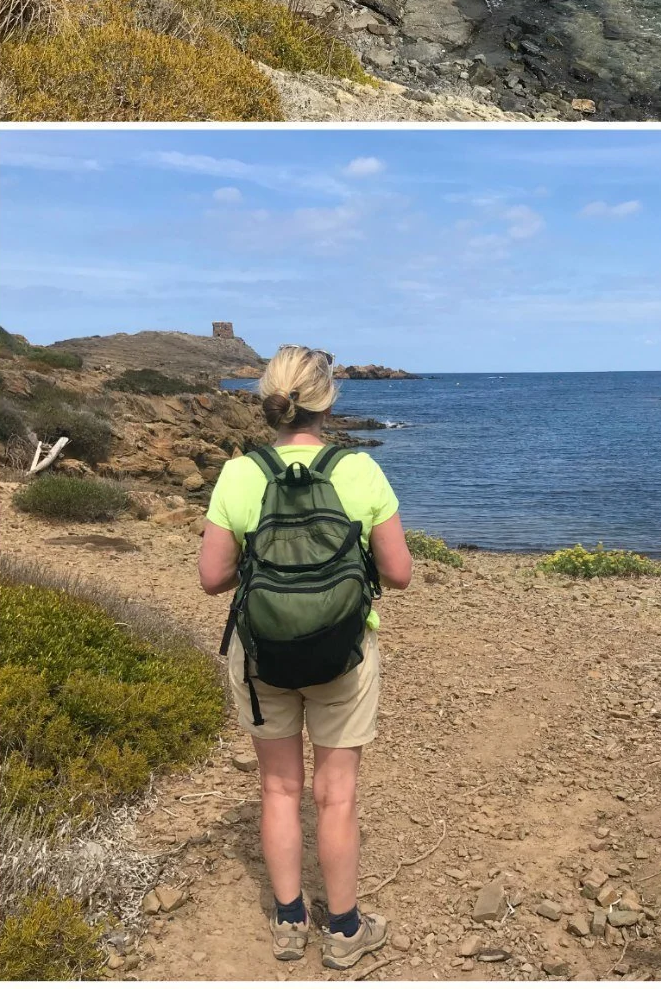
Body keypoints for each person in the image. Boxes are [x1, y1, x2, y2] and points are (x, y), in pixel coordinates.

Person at [198, 345, 413, 968]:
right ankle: (344, 930)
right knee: (336, 794)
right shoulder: (358, 470)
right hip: (343, 652)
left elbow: (213, 578)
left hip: (262, 654)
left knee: (277, 788)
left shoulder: (241, 473)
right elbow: (399, 574)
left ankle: (290, 922)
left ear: (272, 402)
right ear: (326, 402)